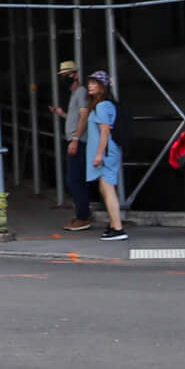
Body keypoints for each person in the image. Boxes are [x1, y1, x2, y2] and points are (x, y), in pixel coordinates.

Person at [85, 72, 127, 242]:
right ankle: (113, 224)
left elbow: (104, 131)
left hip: (106, 152)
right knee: (105, 188)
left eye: (94, 83)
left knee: (107, 189)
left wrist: (99, 154)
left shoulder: (102, 106)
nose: (90, 86)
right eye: (90, 83)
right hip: (107, 150)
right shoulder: (103, 105)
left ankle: (118, 228)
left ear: (103, 87)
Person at [53, 59, 92, 232]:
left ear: (75, 75)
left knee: (74, 179)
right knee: (76, 179)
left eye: (67, 75)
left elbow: (84, 116)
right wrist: (62, 114)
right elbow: (76, 117)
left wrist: (75, 139)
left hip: (79, 142)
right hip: (76, 140)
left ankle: (83, 217)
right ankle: (82, 215)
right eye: (62, 76)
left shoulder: (81, 92)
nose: (64, 78)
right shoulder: (75, 94)